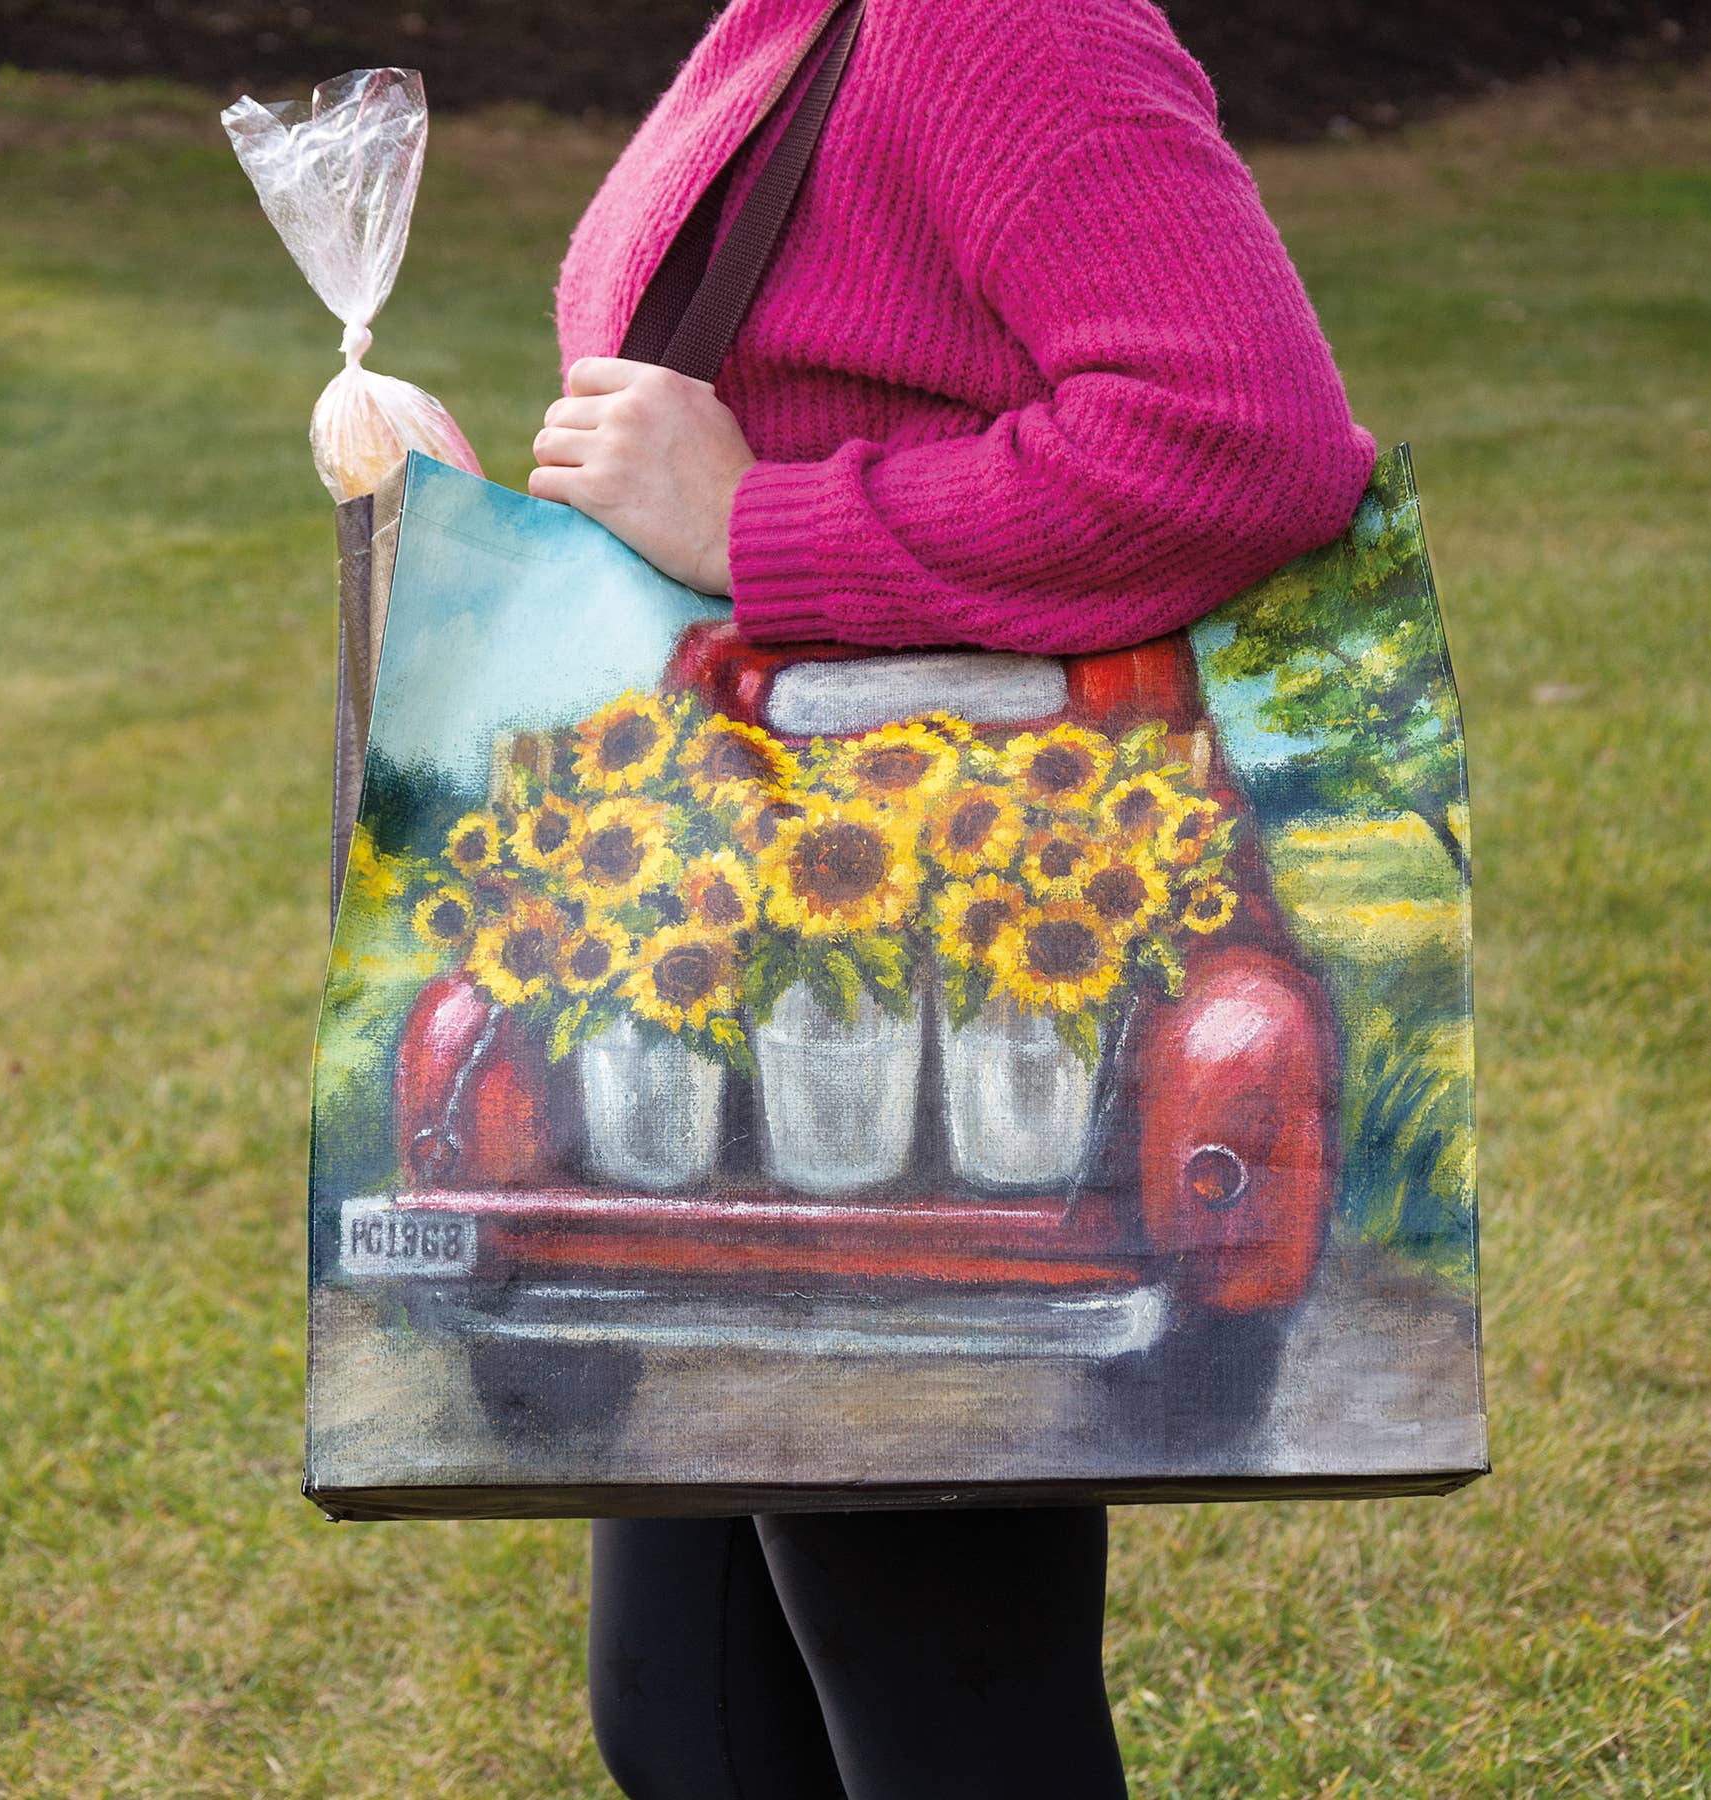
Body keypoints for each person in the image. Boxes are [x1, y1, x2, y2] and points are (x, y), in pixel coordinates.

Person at [530, 3, 1376, 1795]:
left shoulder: (1001, 25)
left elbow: (1247, 440)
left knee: (937, 1705)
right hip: (743, 902)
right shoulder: (790, 20)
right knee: (692, 1722)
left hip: (953, 943)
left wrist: (761, 527)